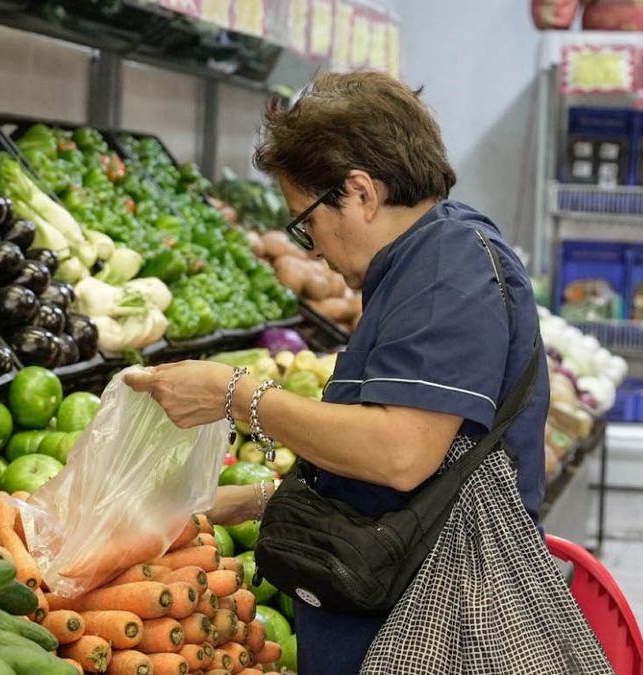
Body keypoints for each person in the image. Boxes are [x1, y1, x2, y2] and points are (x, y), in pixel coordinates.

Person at [126, 72, 611, 674]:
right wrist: (254, 500)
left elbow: (401, 454)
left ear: (359, 192)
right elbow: (426, 464)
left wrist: (233, 394)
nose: (310, 248)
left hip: (435, 624)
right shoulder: (417, 266)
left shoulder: (446, 267)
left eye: (306, 221)